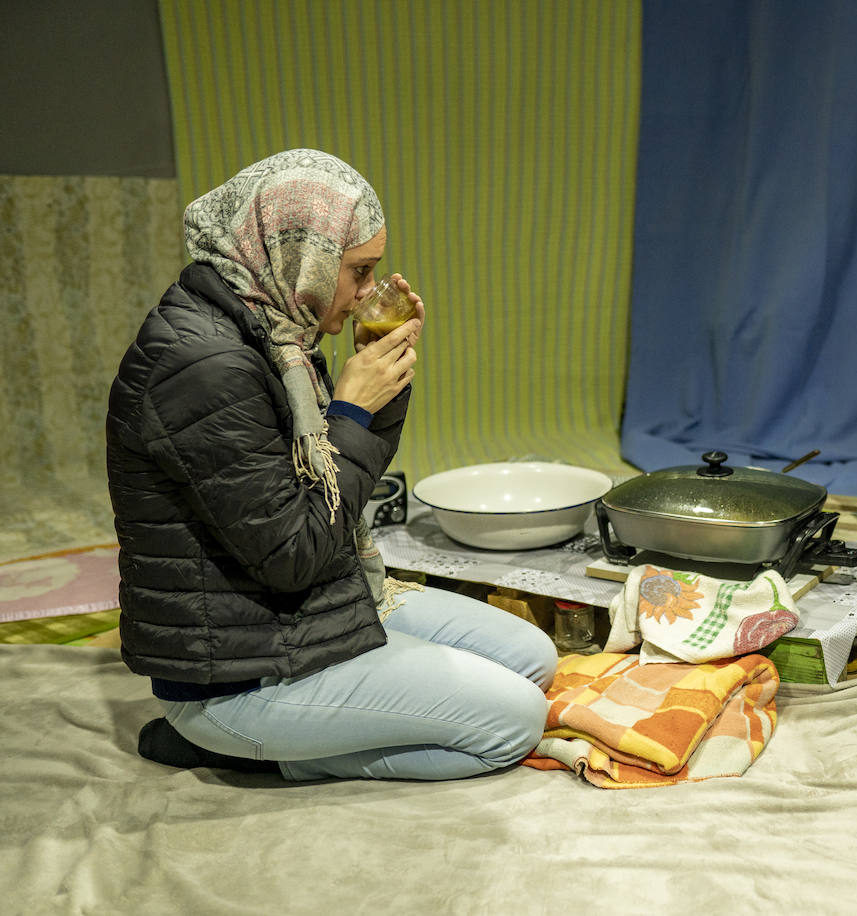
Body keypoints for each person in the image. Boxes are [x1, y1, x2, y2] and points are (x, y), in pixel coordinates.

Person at [107, 149, 557, 779]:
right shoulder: (205, 367)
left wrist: (381, 380)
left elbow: (336, 494)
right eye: (359, 270)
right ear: (305, 256)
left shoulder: (273, 328)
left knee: (533, 657)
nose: (369, 290)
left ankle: (329, 718)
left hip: (307, 607)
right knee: (514, 720)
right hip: (238, 676)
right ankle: (235, 746)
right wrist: (351, 410)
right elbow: (295, 554)